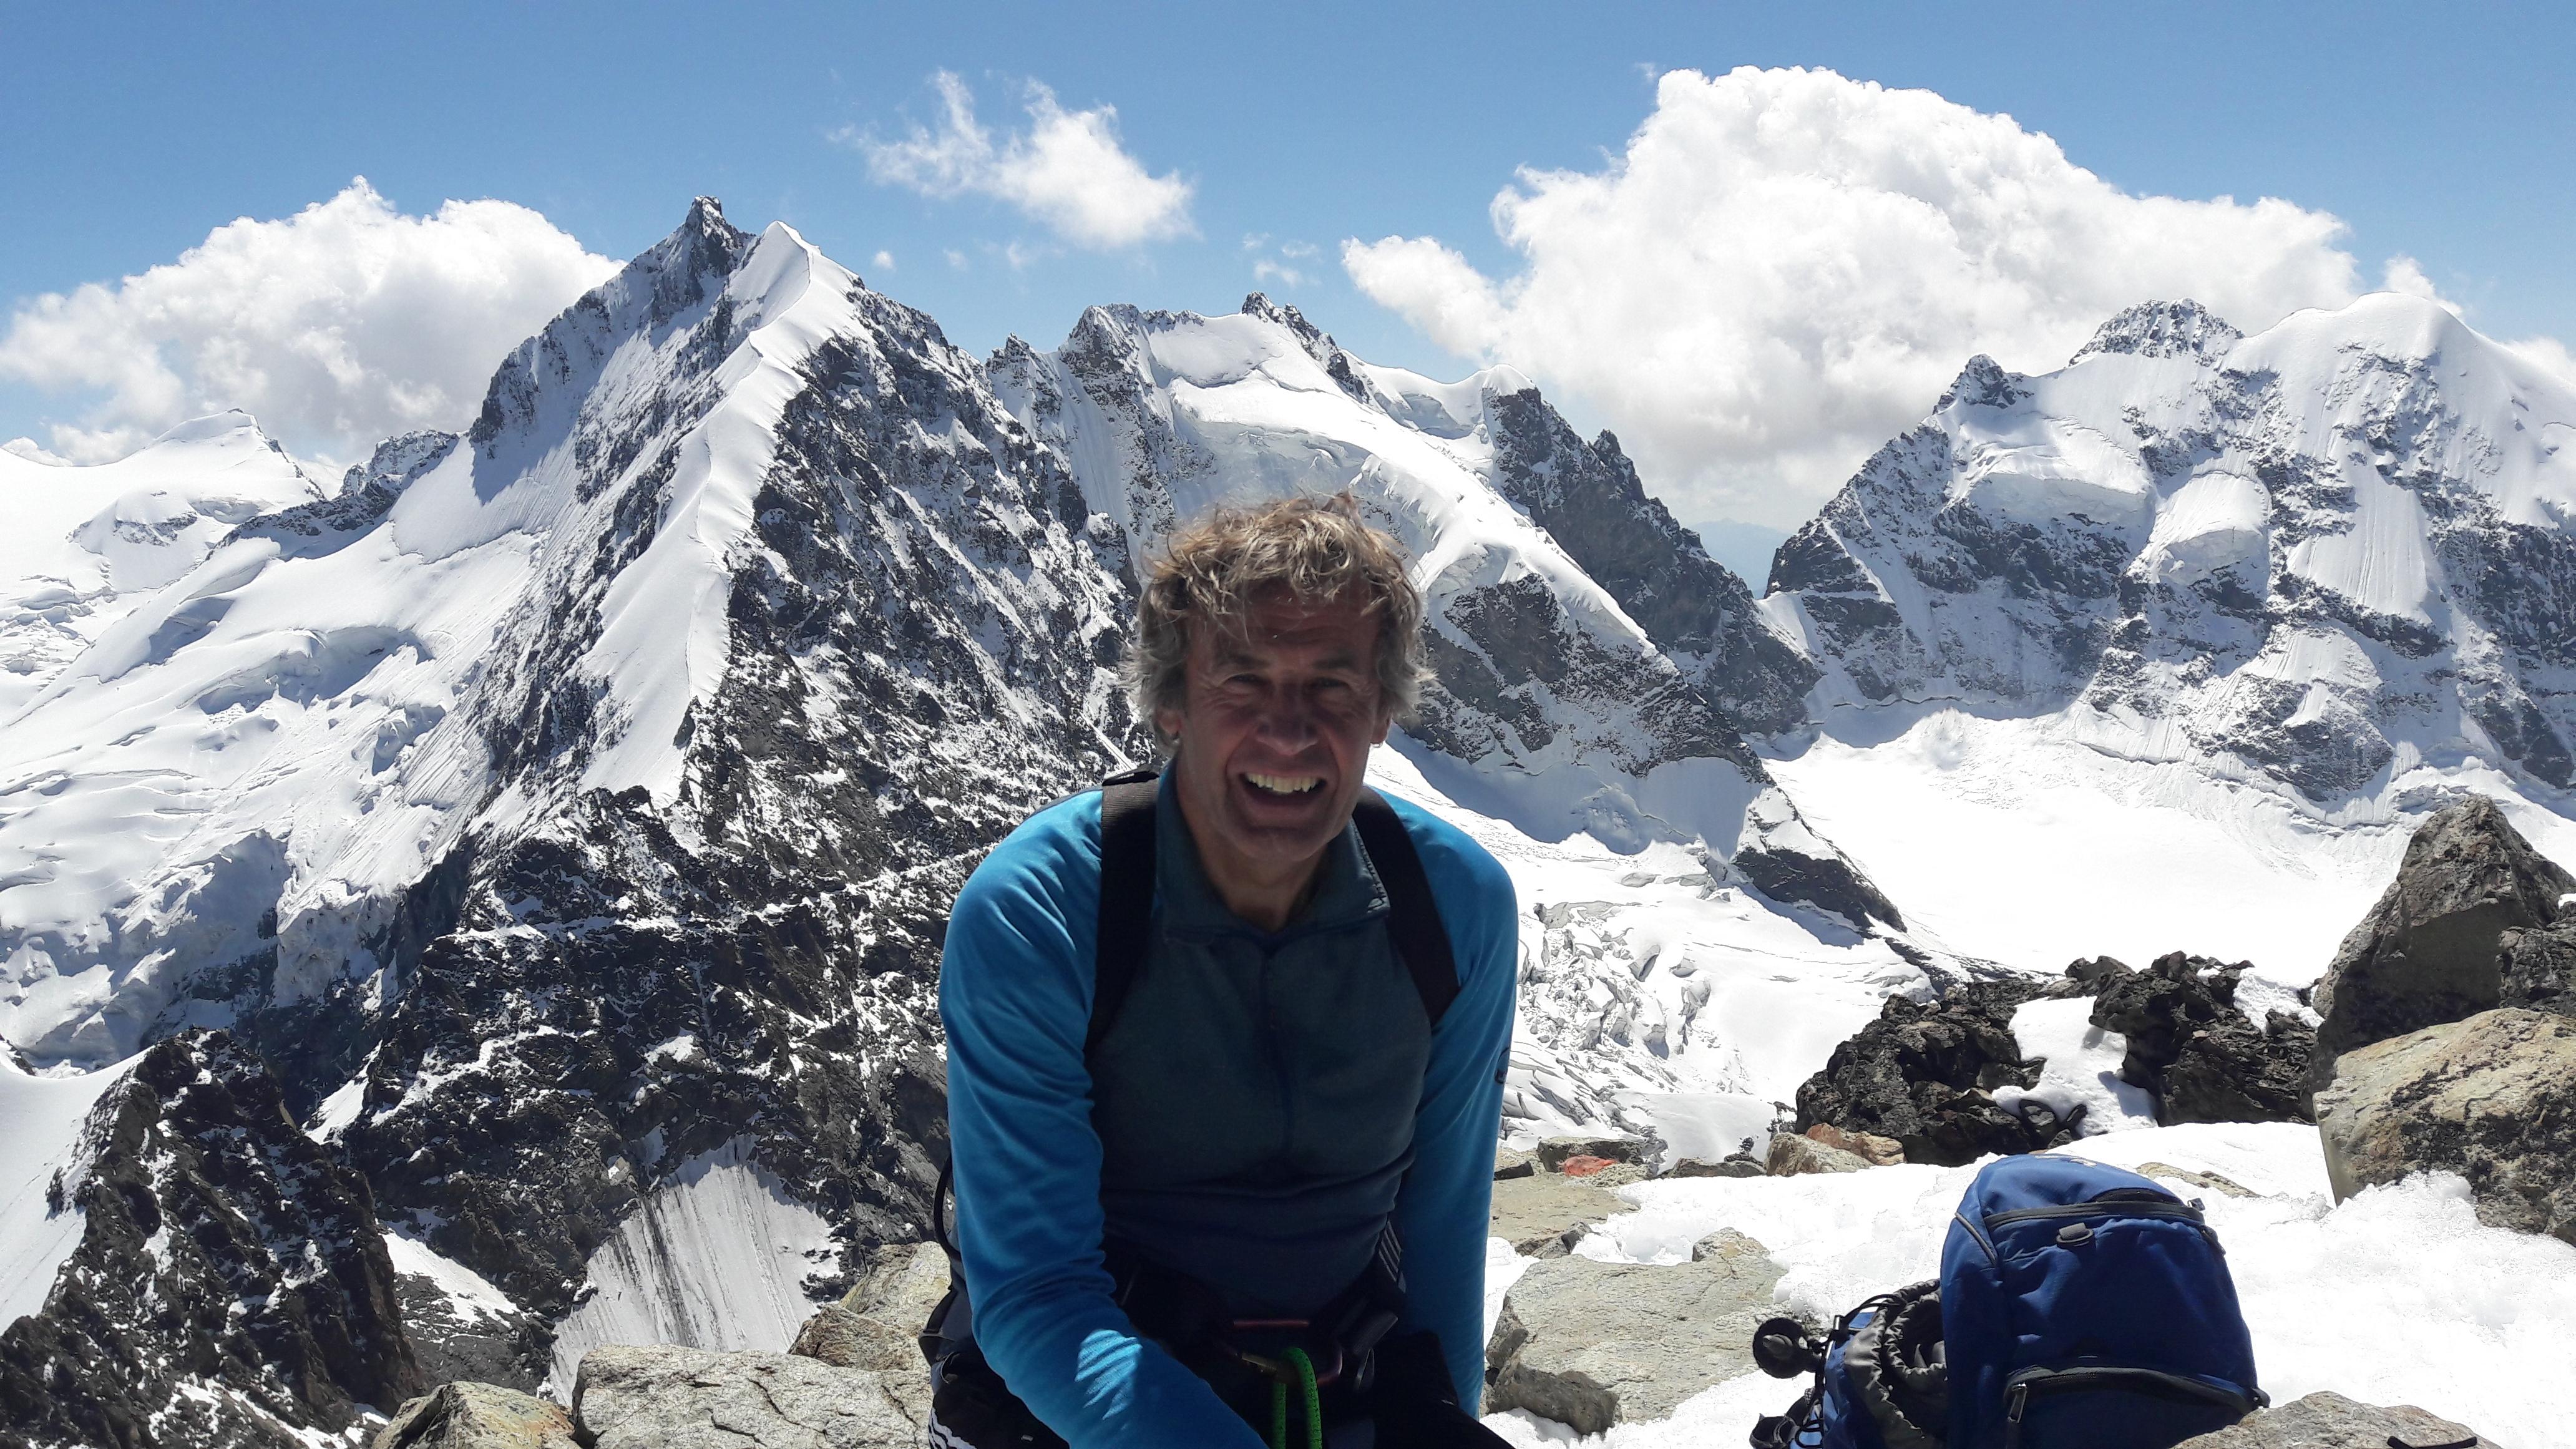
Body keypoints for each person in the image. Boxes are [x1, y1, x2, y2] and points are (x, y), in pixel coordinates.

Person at [932, 494, 1521, 1448]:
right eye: (1242, 682)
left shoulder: (1453, 908)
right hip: (1083, 1403)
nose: (1288, 734)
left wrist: (1441, 1420)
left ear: (1380, 710)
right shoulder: (1041, 914)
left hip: (1345, 1390)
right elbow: (1040, 1293)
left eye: (1332, 687)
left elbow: (1443, 1230)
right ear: (1171, 702)